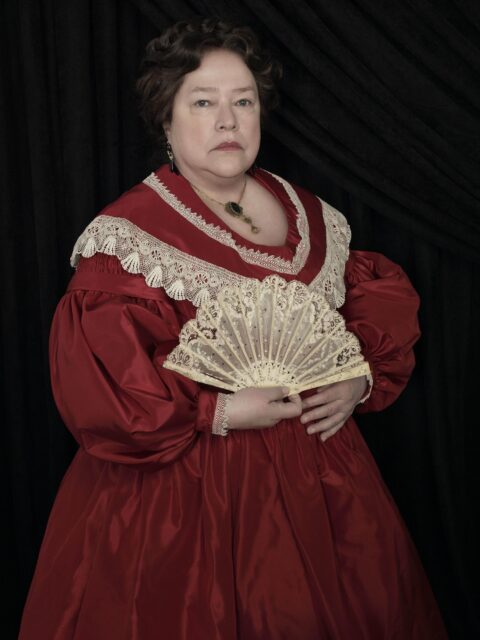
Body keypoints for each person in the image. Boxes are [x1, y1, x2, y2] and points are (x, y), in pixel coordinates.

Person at [19, 18, 448, 640]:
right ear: (166, 120)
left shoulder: (309, 212)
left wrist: (360, 376)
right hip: (181, 497)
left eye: (243, 101)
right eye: (203, 102)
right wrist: (213, 411)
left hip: (322, 484)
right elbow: (102, 386)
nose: (228, 121)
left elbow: (374, 299)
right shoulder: (129, 236)